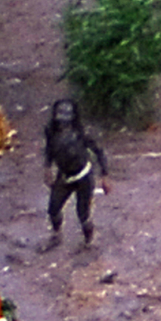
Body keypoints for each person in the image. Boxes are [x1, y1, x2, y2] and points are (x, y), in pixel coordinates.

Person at [43, 98, 112, 248]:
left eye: (66, 118)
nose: (63, 122)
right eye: (60, 117)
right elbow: (49, 150)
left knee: (83, 214)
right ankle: (56, 234)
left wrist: (104, 175)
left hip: (83, 177)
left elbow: (98, 151)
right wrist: (47, 167)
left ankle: (89, 241)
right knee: (53, 208)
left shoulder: (81, 133)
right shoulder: (51, 132)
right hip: (64, 176)